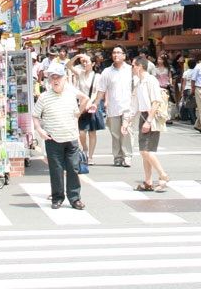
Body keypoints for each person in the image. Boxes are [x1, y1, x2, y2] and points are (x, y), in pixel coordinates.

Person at [33, 63, 91, 210]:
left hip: (71, 137)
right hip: (53, 139)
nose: (55, 80)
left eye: (58, 77)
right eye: (52, 77)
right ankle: (57, 197)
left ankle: (75, 198)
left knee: (73, 169)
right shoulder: (44, 97)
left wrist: (79, 112)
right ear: (49, 80)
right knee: (56, 170)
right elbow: (35, 116)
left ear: (64, 78)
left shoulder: (71, 91)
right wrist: (40, 130)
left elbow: (85, 98)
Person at [126, 55, 170, 193]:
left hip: (151, 116)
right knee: (144, 150)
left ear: (140, 66)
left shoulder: (150, 80)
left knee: (145, 150)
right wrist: (127, 121)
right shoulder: (138, 82)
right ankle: (148, 181)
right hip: (144, 116)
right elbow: (135, 104)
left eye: (133, 65)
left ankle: (163, 174)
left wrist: (149, 121)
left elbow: (156, 101)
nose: (132, 68)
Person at [91, 46, 134, 167]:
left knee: (127, 132)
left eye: (119, 53)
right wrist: (95, 103)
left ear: (124, 56)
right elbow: (101, 90)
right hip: (113, 107)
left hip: (128, 106)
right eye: (114, 53)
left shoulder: (131, 70)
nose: (116, 55)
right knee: (115, 134)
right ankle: (118, 156)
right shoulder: (107, 72)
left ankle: (127, 156)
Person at [70, 54, 103, 164]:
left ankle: (90, 156)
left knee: (92, 132)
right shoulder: (80, 73)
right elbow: (68, 65)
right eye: (82, 62)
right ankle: (85, 149)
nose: (84, 64)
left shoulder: (97, 76)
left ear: (93, 64)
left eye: (86, 62)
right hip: (81, 106)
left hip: (92, 106)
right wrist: (77, 56)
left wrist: (90, 103)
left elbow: (97, 92)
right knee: (81, 132)